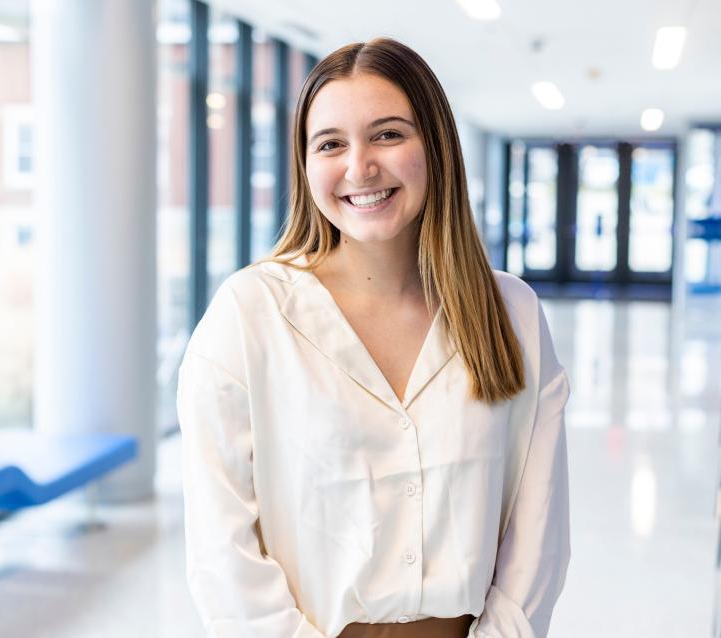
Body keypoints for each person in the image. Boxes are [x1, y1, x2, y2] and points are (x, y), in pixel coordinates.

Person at [177, 37, 570, 638]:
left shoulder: (510, 314)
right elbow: (221, 551)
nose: (359, 168)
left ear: (435, 147)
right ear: (305, 165)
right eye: (331, 144)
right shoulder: (249, 315)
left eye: (388, 134)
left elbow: (537, 538)